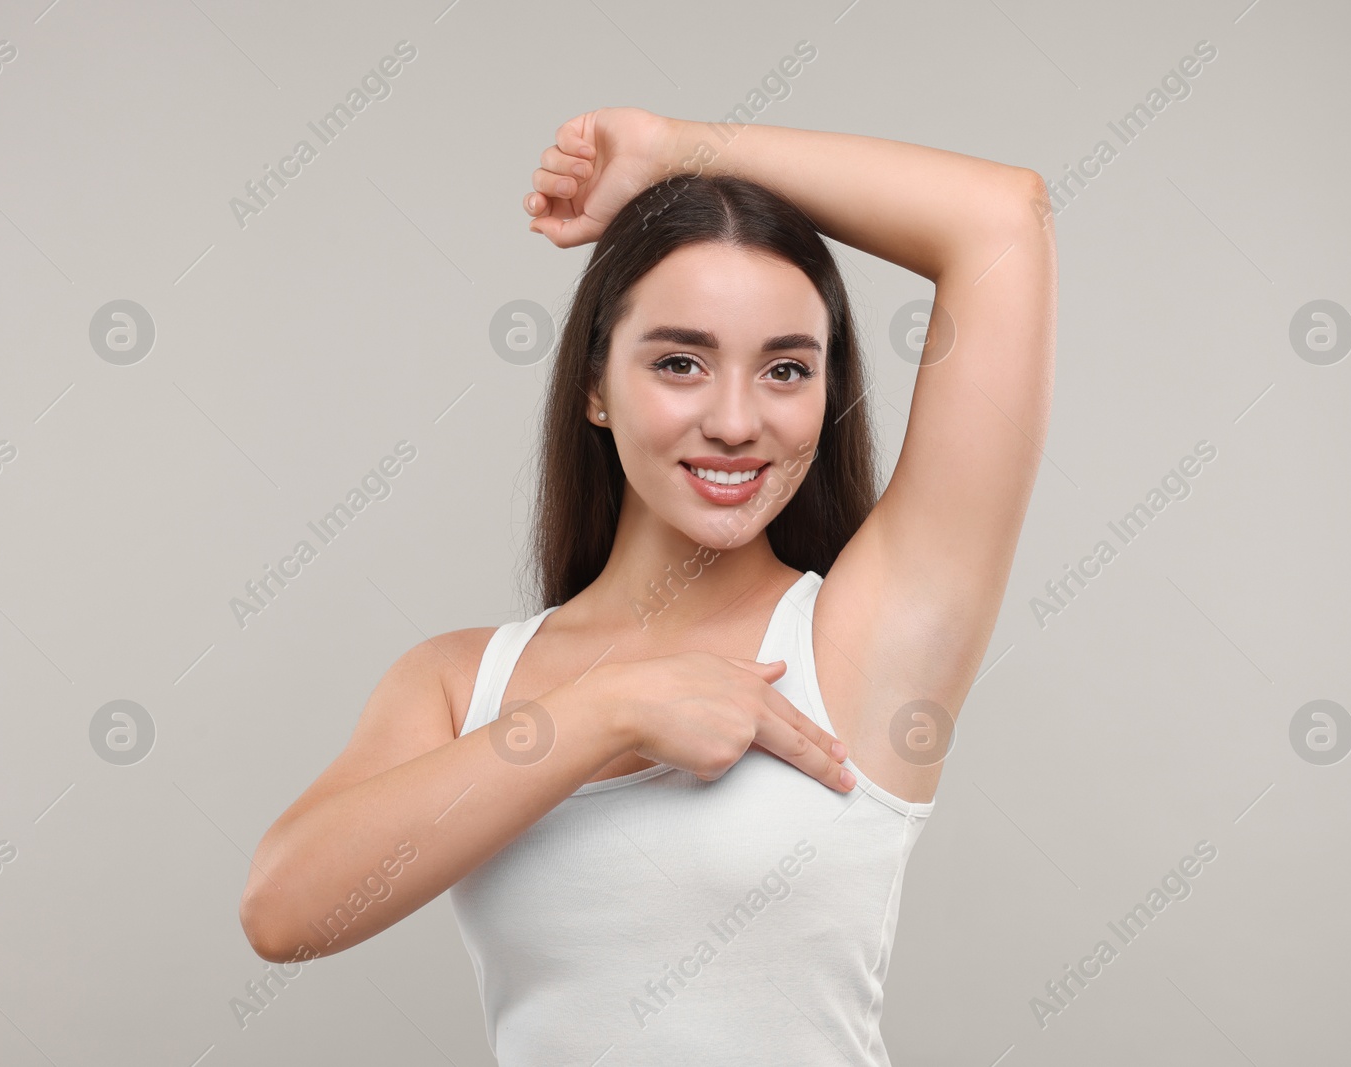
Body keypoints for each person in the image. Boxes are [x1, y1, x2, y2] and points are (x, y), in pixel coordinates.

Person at [238, 106, 1057, 1065]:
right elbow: (284, 911)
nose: (736, 419)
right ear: (594, 385)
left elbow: (1003, 218)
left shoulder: (864, 639)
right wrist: (609, 711)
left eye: (786, 368)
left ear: (827, 396)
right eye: (679, 361)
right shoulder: (462, 681)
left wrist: (679, 152)